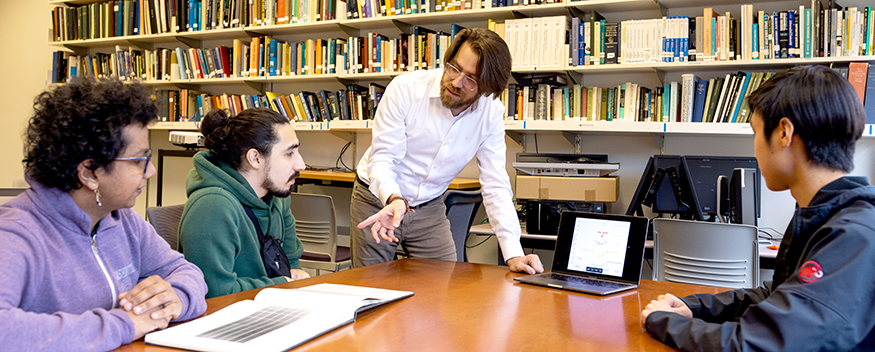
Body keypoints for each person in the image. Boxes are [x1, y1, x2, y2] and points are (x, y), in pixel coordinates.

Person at [641, 65, 875, 351]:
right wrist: (694, 307)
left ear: (783, 133)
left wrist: (662, 321)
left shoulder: (856, 234)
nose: (754, 147)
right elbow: (778, 296)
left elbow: (756, 344)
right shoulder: (825, 213)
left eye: (755, 132)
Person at [0, 78, 208, 350]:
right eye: (137, 161)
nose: (151, 171)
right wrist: (125, 324)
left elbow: (184, 271)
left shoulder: (122, 220)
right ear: (89, 172)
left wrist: (174, 298)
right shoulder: (15, 233)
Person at [351, 28, 543, 274]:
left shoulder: (491, 113)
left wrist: (513, 253)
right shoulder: (406, 88)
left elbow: (495, 184)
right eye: (454, 68)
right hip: (377, 201)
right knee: (372, 288)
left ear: (487, 88)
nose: (456, 82)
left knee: (442, 288)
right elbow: (383, 159)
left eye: (471, 79)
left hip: (430, 207)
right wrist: (394, 198)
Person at [179, 107, 309, 298]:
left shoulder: (277, 198)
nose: (301, 164)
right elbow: (214, 293)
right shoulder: (212, 207)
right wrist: (281, 284)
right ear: (255, 158)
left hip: (267, 309)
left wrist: (294, 274)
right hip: (226, 319)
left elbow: (290, 261)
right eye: (289, 153)